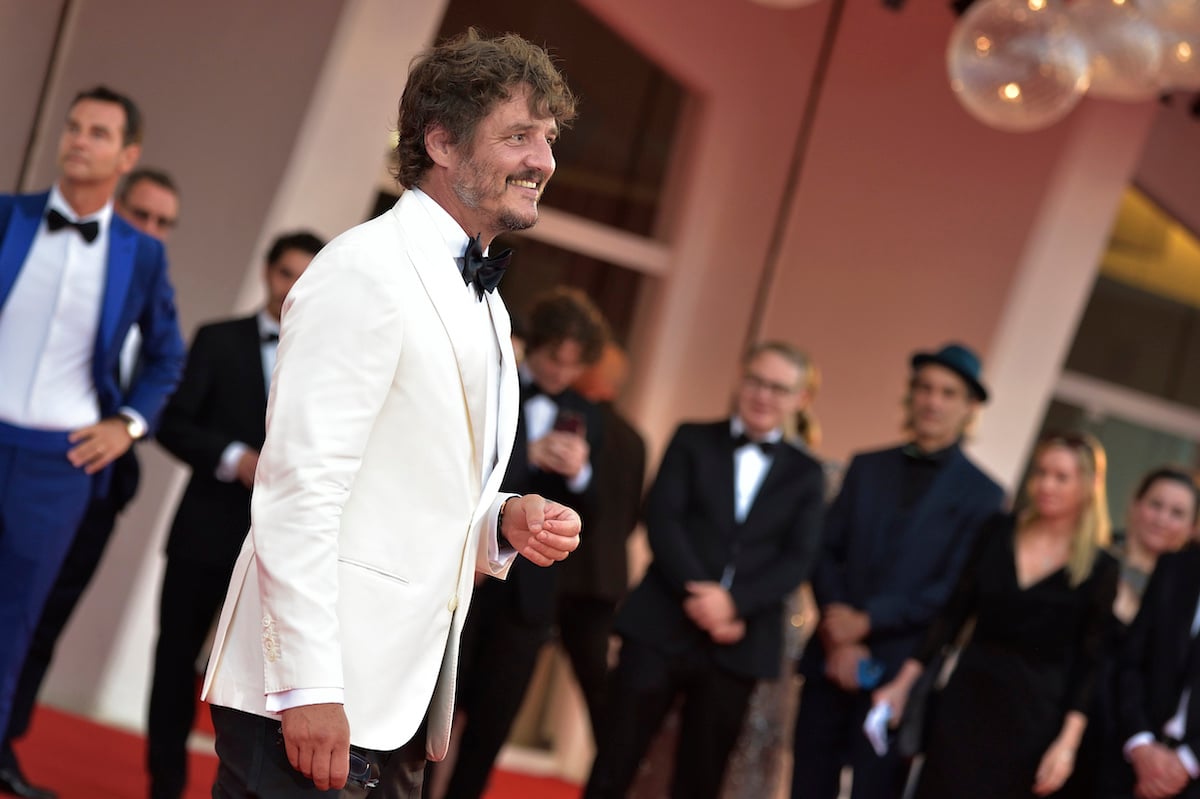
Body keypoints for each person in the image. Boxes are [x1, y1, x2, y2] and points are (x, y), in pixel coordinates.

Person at [200, 29, 581, 798]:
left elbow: (408, 491)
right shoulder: (365, 271)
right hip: (316, 698)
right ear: (441, 141)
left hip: (396, 702)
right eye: (517, 135)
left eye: (547, 137)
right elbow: (298, 490)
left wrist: (500, 519)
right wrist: (309, 688)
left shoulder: (488, 305)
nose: (542, 159)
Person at [0, 85, 185, 791]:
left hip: (60, 462)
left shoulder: (139, 255)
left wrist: (127, 425)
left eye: (98, 133)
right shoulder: (7, 216)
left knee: (13, 626)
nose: (79, 140)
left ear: (127, 154)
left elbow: (168, 356)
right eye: (73, 127)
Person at [584, 341, 826, 799]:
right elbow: (662, 519)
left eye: (779, 388)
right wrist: (703, 597)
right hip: (660, 624)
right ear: (740, 378)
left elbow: (797, 558)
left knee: (701, 779)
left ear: (800, 399)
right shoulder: (691, 438)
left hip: (741, 641)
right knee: (615, 759)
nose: (763, 395)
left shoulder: (807, 474)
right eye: (756, 381)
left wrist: (734, 605)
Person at [147, 230, 324, 799]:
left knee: (266, 680)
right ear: (266, 273)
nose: (291, 286)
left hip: (283, 548)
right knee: (176, 659)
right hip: (205, 531)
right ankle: (165, 784)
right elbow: (174, 422)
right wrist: (232, 458)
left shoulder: (329, 360)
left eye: (304, 275)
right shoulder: (218, 339)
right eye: (283, 272)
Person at [791, 342, 1005, 799]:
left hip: (899, 672)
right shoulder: (867, 466)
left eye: (948, 393)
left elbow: (950, 588)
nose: (932, 401)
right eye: (925, 388)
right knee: (808, 783)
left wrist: (867, 622)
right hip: (830, 654)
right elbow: (824, 550)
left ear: (969, 407)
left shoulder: (984, 495)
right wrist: (839, 630)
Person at [874, 432, 1119, 799]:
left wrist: (1067, 744)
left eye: (1061, 476)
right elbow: (951, 615)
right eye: (1041, 473)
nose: (1046, 485)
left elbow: (1089, 662)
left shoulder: (1101, 568)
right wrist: (902, 683)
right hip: (966, 701)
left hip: (1033, 721)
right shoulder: (997, 530)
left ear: (1089, 485)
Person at [435, 286, 608, 799]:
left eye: (573, 366)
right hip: (469, 576)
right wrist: (529, 454)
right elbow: (460, 466)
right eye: (554, 358)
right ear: (534, 344)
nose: (560, 373)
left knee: (493, 722)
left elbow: (601, 512)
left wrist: (580, 476)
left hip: (531, 595)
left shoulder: (590, 415)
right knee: (433, 713)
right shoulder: (496, 384)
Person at [1069, 467, 1200, 798]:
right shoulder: (1096, 563)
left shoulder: (1179, 579)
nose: (1162, 519)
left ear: (1192, 525)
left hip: (1135, 749)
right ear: (1135, 505)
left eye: (1177, 513)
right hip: (1078, 725)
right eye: (1155, 505)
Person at [1115, 541, 1200, 799]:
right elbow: (1131, 661)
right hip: (1131, 758)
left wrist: (1188, 761)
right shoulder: (1174, 567)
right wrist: (1141, 744)